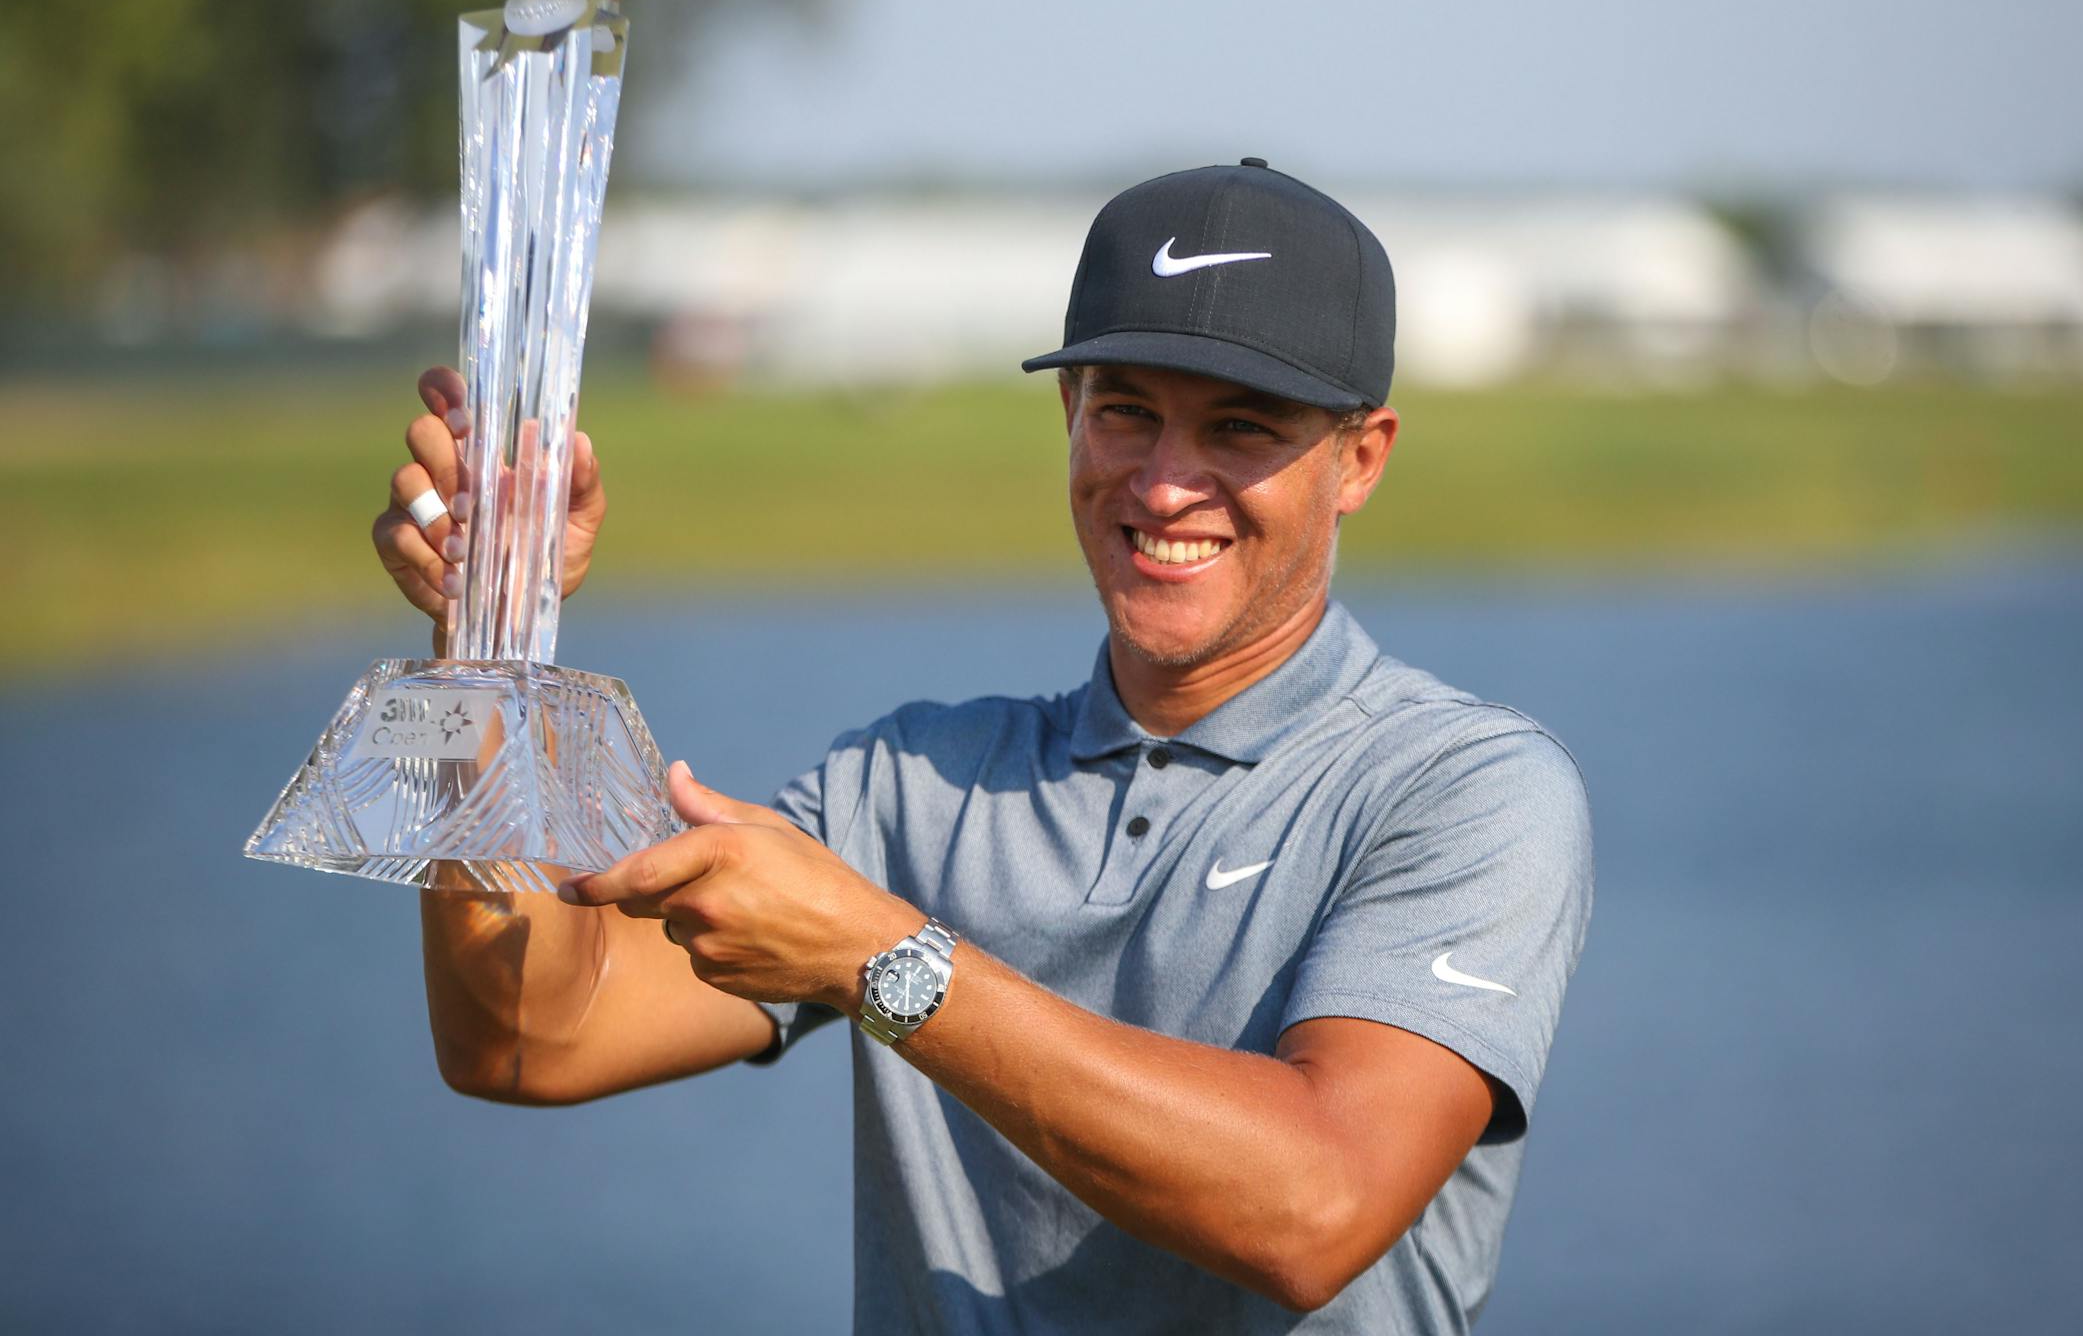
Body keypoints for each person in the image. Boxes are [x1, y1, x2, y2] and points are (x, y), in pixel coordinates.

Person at [373, 158, 1593, 1333]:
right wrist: (488, 648)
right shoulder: (907, 785)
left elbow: (1314, 1211)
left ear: (1360, 459)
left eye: (1240, 427)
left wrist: (883, 958)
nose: (1166, 485)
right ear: (1071, 413)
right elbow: (526, 1038)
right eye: (1127, 411)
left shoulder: (1464, 789)